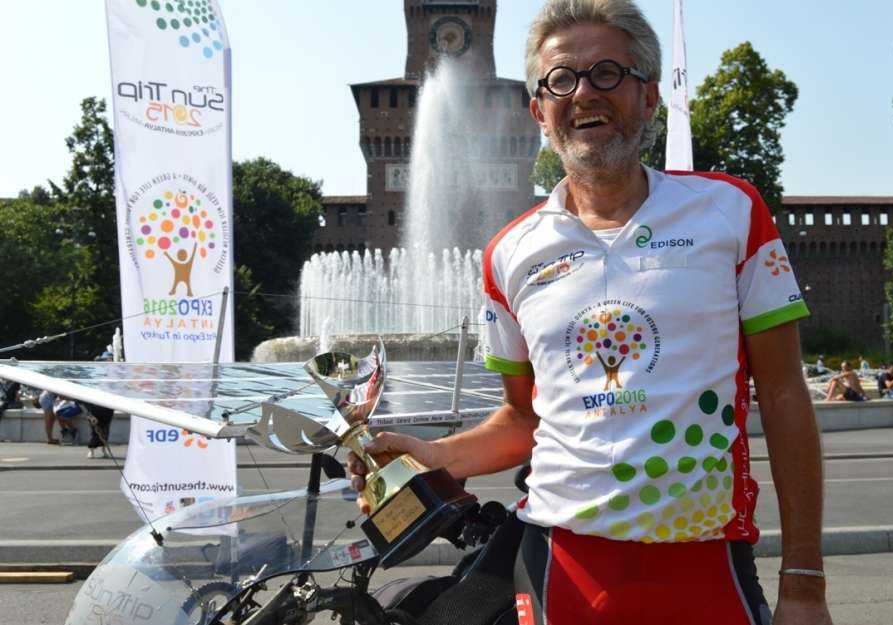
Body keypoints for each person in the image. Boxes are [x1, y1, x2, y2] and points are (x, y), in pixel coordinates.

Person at [349, 2, 831, 623]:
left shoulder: (732, 213)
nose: (583, 94)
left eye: (608, 73)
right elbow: (525, 417)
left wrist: (805, 580)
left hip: (705, 560)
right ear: (538, 112)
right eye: (561, 80)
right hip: (558, 564)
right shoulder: (508, 254)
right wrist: (435, 454)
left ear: (649, 96)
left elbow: (786, 394)